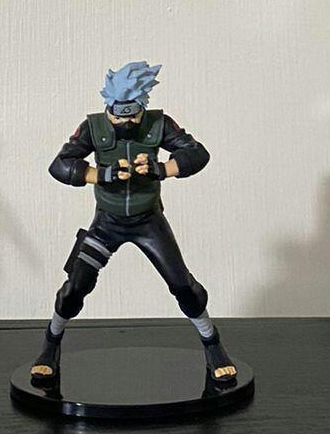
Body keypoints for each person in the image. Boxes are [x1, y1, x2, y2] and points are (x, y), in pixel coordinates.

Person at [29, 61, 236, 388]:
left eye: (132, 113)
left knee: (183, 285)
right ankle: (51, 343)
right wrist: (100, 175)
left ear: (143, 105)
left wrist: (161, 169)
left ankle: (213, 344)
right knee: (75, 288)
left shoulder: (159, 124)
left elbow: (198, 154)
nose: (125, 122)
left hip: (148, 221)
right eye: (118, 114)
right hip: (106, 223)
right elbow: (59, 165)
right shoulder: (93, 128)